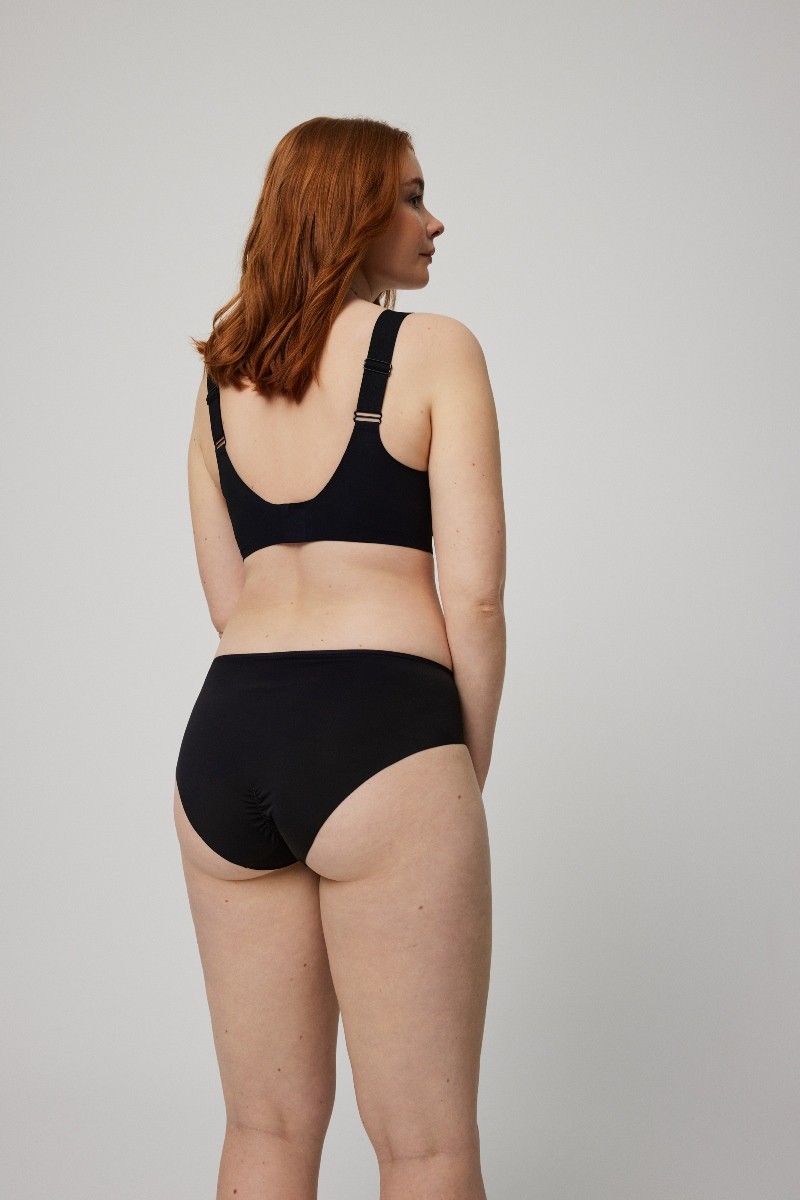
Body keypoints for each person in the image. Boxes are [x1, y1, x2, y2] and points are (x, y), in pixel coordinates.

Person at [173, 115, 506, 1200]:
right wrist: (453, 771)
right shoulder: (436, 349)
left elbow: (227, 601)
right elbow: (474, 598)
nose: (433, 220)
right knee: (425, 1146)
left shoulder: (221, 380)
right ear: (349, 213)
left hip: (226, 742)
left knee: (263, 1127)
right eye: (410, 196)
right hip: (382, 727)